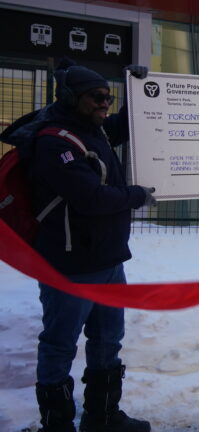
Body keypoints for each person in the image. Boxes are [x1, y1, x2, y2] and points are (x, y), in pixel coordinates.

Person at [0, 59, 154, 432]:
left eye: (109, 96)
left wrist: (138, 91)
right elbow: (91, 198)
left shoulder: (91, 130)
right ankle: (57, 425)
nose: (105, 103)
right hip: (70, 267)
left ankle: (103, 417)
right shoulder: (55, 142)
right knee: (59, 344)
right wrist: (136, 196)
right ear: (71, 98)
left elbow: (122, 124)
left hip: (109, 260)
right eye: (97, 97)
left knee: (108, 340)